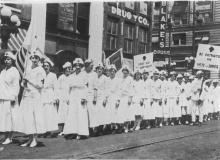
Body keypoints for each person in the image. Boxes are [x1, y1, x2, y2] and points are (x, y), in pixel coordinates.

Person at [19, 50, 46, 147]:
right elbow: (23, 84)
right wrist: (24, 82)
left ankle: (35, 139)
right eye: (33, 58)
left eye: (36, 58)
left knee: (35, 117)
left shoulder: (41, 70)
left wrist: (29, 80)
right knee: (28, 117)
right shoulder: (28, 69)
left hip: (35, 95)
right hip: (27, 95)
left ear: (39, 59)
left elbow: (40, 85)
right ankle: (29, 139)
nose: (34, 59)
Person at [63, 58, 89, 140]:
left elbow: (86, 87)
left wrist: (84, 97)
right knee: (72, 113)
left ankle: (81, 133)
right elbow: (67, 88)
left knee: (80, 113)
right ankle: (72, 131)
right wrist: (67, 98)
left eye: (79, 65)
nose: (77, 67)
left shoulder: (85, 75)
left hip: (81, 94)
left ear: (81, 66)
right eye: (76, 65)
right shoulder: (71, 75)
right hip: (73, 95)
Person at [0, 51, 20, 145]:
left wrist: (13, 97)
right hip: (3, 98)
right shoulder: (3, 71)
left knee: (11, 118)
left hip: (10, 98)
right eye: (5, 59)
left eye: (8, 59)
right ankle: (5, 136)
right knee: (4, 118)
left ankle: (10, 137)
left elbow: (16, 86)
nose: (6, 61)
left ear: (12, 60)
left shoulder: (14, 71)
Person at [42, 58, 58, 137]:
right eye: (44, 66)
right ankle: (43, 130)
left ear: (50, 67)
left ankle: (49, 131)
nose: (46, 67)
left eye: (47, 66)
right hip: (43, 95)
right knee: (43, 113)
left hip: (50, 94)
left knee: (50, 113)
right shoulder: (41, 74)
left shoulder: (53, 75)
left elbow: (56, 87)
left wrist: (55, 98)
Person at [57, 62, 72, 135]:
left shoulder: (71, 77)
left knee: (68, 113)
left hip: (68, 97)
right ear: (65, 69)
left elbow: (72, 89)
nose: (68, 70)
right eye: (67, 69)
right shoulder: (61, 77)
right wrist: (59, 97)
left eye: (70, 69)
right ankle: (61, 129)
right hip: (62, 97)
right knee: (61, 113)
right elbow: (58, 88)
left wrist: (70, 97)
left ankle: (67, 129)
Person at [117, 66, 133, 133]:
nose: (125, 73)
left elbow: (131, 89)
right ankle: (122, 127)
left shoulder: (130, 79)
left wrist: (130, 98)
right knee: (121, 112)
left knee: (127, 112)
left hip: (127, 97)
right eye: (124, 71)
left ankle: (127, 127)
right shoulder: (120, 79)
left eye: (126, 71)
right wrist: (118, 99)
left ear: (128, 72)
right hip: (121, 97)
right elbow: (119, 89)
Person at [105, 64, 120, 134]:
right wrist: (105, 98)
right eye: (110, 71)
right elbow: (105, 89)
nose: (112, 72)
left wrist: (118, 100)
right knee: (108, 112)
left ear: (115, 72)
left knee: (114, 112)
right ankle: (109, 126)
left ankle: (115, 126)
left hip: (114, 97)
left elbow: (119, 91)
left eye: (113, 71)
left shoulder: (117, 80)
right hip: (108, 97)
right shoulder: (107, 79)